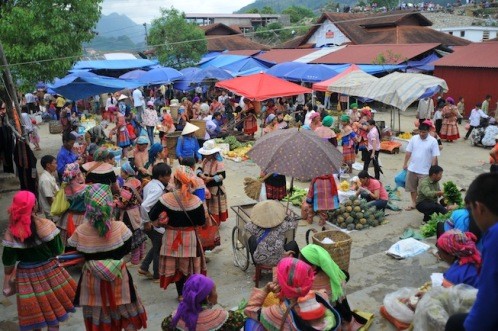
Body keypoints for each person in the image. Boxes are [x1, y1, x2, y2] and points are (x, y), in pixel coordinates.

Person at [68, 184, 147, 330]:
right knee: (124, 308)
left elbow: (76, 249)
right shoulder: (121, 228)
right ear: (110, 202)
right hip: (119, 276)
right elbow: (126, 248)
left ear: (87, 204)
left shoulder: (80, 231)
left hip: (91, 278)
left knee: (97, 312)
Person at [2, 191, 77, 330]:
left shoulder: (11, 232)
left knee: (36, 317)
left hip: (26, 277)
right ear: (34, 206)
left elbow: (8, 262)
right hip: (50, 272)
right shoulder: (46, 225)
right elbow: (58, 251)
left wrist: (8, 276)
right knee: (54, 314)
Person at [445, 173, 498, 331]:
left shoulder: (495, 236)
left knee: (455, 324)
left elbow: (489, 299)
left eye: (471, 210)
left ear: (479, 207)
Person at [148, 166, 206, 300]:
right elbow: (201, 222)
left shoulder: (166, 199)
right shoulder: (196, 201)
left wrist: (163, 219)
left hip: (171, 237)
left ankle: (180, 294)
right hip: (190, 237)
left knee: (177, 267)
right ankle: (189, 292)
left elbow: (152, 215)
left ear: (175, 179)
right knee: (188, 266)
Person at [245, 257, 340, 331]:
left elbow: (250, 310)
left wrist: (265, 290)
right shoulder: (322, 295)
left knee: (251, 322)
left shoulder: (279, 312)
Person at [300, 244, 365, 331]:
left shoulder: (313, 280)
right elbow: (346, 276)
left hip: (328, 314)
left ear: (314, 267)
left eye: (301, 263)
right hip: (341, 308)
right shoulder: (334, 271)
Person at [162, 274, 244, 331]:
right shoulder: (229, 320)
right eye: (214, 291)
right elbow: (240, 320)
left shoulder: (172, 320)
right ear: (207, 297)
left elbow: (164, 326)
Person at [139, 163, 172, 281]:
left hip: (152, 221)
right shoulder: (157, 189)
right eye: (168, 175)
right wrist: (147, 222)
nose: (169, 177)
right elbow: (144, 206)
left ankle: (144, 267)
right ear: (160, 177)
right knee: (159, 248)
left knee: (157, 245)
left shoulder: (151, 184)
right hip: (153, 223)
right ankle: (157, 274)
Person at [245, 200, 299, 266]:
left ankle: (256, 266)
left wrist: (256, 221)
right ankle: (294, 268)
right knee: (293, 243)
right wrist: (286, 216)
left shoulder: (254, 227)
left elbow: (246, 226)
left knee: (252, 239)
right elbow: (295, 223)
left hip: (259, 259)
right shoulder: (283, 225)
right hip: (279, 260)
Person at [403, 123, 440, 210]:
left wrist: (433, 170)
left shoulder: (433, 141)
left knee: (423, 190)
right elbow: (408, 152)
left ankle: (423, 205)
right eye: (420, 132)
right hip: (412, 168)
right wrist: (405, 163)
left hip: (425, 171)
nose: (421, 134)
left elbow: (435, 156)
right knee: (412, 188)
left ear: (428, 131)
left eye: (424, 132)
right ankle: (414, 203)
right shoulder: (414, 138)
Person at [116, 168, 147, 266]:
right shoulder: (137, 181)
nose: (121, 174)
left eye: (122, 172)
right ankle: (141, 255)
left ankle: (134, 260)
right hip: (136, 211)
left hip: (128, 214)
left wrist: (114, 202)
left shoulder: (127, 186)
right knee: (139, 234)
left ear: (127, 173)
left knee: (132, 237)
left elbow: (123, 203)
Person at [198, 140, 228, 223]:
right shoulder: (205, 161)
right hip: (207, 188)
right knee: (208, 205)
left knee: (215, 207)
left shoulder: (219, 162)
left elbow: (222, 176)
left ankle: (216, 222)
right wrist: (201, 175)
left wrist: (210, 179)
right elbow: (199, 169)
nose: (205, 155)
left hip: (216, 189)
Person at [57, 162, 87, 245]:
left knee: (67, 244)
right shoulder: (85, 189)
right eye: (81, 173)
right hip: (82, 219)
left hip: (66, 218)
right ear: (78, 175)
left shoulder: (65, 188)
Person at [38, 155, 59, 219]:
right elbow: (50, 199)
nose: (56, 165)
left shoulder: (50, 176)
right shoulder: (45, 180)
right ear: (48, 165)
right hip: (53, 213)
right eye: (55, 163)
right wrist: (59, 210)